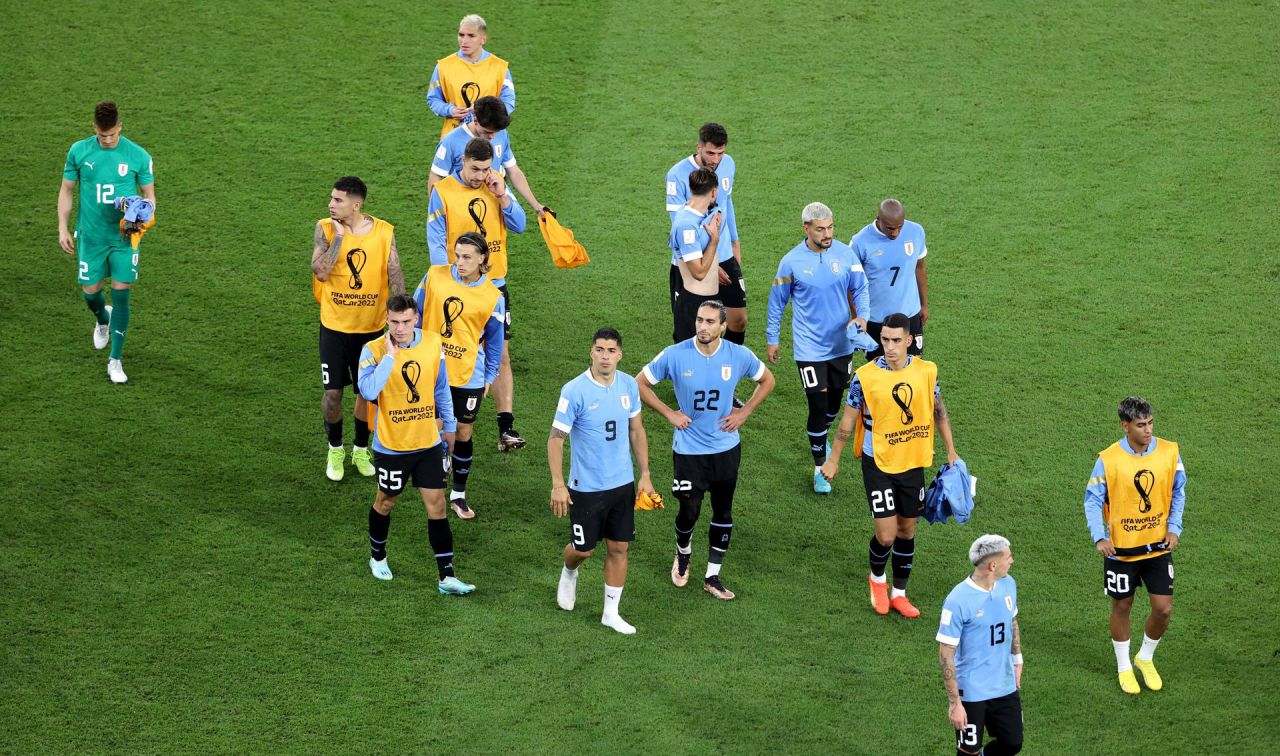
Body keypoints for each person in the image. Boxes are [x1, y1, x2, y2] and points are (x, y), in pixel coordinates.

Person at [822, 312, 960, 618]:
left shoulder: (927, 371)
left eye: (896, 340)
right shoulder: (865, 376)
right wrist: (833, 459)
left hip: (912, 462)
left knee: (907, 530)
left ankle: (899, 593)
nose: (890, 347)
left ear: (909, 341)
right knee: (886, 535)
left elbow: (939, 411)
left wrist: (951, 450)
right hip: (878, 463)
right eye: (885, 340)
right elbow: (847, 422)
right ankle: (877, 581)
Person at [638, 300, 775, 600]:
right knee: (690, 510)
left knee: (723, 511)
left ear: (723, 326)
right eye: (700, 320)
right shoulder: (675, 355)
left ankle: (712, 576)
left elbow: (767, 380)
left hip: (726, 449)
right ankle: (683, 553)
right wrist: (669, 414)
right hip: (688, 451)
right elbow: (640, 384)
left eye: (710, 321)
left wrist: (744, 413)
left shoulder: (738, 355)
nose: (702, 326)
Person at [358, 294, 473, 595]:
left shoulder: (433, 343)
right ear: (387, 320)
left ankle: (446, 577)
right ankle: (377, 556)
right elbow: (369, 392)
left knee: (437, 506)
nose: (400, 328)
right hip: (392, 448)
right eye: (394, 322)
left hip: (427, 444)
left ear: (417, 319)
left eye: (406, 321)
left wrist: (449, 426)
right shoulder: (371, 350)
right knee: (386, 501)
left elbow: (440, 387)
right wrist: (389, 357)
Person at [549, 328, 656, 634]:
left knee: (619, 548)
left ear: (620, 354)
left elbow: (636, 430)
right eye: (600, 350)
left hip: (621, 485)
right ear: (591, 352)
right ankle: (569, 571)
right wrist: (558, 483)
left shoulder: (628, 386)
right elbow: (556, 439)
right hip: (585, 488)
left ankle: (611, 612)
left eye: (611, 351)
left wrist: (645, 474)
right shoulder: (574, 390)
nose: (605, 356)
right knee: (584, 550)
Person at [426, 138, 527, 451]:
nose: (480, 175)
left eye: (486, 169)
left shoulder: (495, 186)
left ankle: (505, 427)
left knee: (501, 353)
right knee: (449, 350)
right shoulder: (442, 192)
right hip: (457, 288)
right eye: (475, 168)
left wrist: (503, 196)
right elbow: (436, 241)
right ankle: (437, 428)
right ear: (462, 161)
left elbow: (520, 225)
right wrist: (454, 283)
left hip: (494, 286)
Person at [765, 202, 870, 494]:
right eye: (821, 229)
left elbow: (860, 288)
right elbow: (777, 303)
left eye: (831, 227)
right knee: (818, 404)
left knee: (835, 404)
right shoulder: (791, 262)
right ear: (806, 229)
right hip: (809, 348)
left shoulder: (845, 254)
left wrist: (862, 316)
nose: (827, 234)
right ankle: (820, 466)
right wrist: (772, 338)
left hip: (841, 345)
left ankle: (819, 434)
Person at [1084, 396, 1186, 695]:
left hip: (1157, 547)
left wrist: (1174, 527)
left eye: (1150, 423)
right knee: (1122, 605)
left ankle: (1145, 657)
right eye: (1141, 425)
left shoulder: (1170, 452)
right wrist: (1099, 537)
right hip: (1121, 551)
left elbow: (1179, 491)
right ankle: (1124, 666)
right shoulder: (1108, 459)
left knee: (1163, 609)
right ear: (1125, 425)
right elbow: (1092, 500)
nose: (1148, 430)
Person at [57, 100, 156, 384]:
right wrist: (62, 227)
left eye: (112, 134)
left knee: (122, 291)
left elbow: (150, 197)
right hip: (91, 235)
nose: (108, 140)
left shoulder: (138, 155)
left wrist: (142, 213)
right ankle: (102, 319)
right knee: (91, 291)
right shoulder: (79, 151)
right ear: (95, 130)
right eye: (103, 136)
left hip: (124, 237)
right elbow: (66, 190)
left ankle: (116, 359)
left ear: (120, 127)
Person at [312, 176, 404, 481]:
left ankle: (361, 449)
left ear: (356, 204)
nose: (330, 204)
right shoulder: (325, 228)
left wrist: (398, 323)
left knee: (367, 395)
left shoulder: (384, 232)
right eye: (331, 198)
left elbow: (395, 276)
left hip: (371, 331)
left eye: (337, 200)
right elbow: (321, 273)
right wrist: (339, 237)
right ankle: (335, 448)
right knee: (334, 394)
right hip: (335, 329)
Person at [413, 232, 505, 520]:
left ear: (482, 259)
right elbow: (414, 313)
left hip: (468, 375)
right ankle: (433, 482)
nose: (460, 262)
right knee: (435, 427)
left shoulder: (492, 297)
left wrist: (490, 376)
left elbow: (495, 340)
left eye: (467, 257)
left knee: (464, 432)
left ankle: (459, 495)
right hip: (430, 368)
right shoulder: (435, 276)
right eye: (457, 255)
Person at [937, 535, 1024, 756]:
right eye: (1008, 557)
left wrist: (1017, 659)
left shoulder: (1008, 584)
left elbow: (1012, 620)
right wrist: (955, 703)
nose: (1012, 561)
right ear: (992, 565)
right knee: (968, 751)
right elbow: (946, 653)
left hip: (1004, 685)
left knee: (1013, 742)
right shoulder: (957, 600)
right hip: (972, 692)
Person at [666, 124, 747, 345]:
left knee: (738, 320)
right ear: (699, 147)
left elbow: (727, 205)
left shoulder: (728, 164)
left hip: (724, 252)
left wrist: (735, 244)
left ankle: (727, 364)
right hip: (695, 260)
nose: (716, 159)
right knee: (692, 327)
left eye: (720, 153)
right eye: (710, 153)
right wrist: (712, 265)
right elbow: (680, 226)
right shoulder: (676, 175)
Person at [428, 96, 545, 218]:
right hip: (464, 206)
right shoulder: (450, 141)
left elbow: (514, 171)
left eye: (497, 131)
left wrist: (536, 206)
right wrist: (436, 215)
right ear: (475, 120)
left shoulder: (501, 134)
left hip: (493, 199)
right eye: (488, 132)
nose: (493, 137)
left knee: (518, 224)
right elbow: (436, 175)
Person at [848, 199, 929, 359]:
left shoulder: (916, 231)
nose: (896, 233)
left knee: (912, 367)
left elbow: (919, 267)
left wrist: (923, 305)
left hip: (910, 315)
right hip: (876, 320)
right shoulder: (860, 242)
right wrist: (857, 316)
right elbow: (850, 284)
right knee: (880, 372)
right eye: (891, 228)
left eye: (900, 227)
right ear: (878, 219)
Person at [426, 14, 515, 137]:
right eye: (461, 35)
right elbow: (433, 99)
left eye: (471, 36)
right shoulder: (443, 66)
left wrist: (485, 112)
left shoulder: (500, 67)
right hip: (454, 136)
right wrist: (450, 110)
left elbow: (509, 101)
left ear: (483, 39)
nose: (464, 41)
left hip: (490, 137)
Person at [668, 168, 723, 343]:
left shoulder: (700, 213)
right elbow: (698, 273)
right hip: (694, 305)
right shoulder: (686, 225)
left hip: (709, 301)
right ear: (713, 192)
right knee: (689, 365)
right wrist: (714, 241)